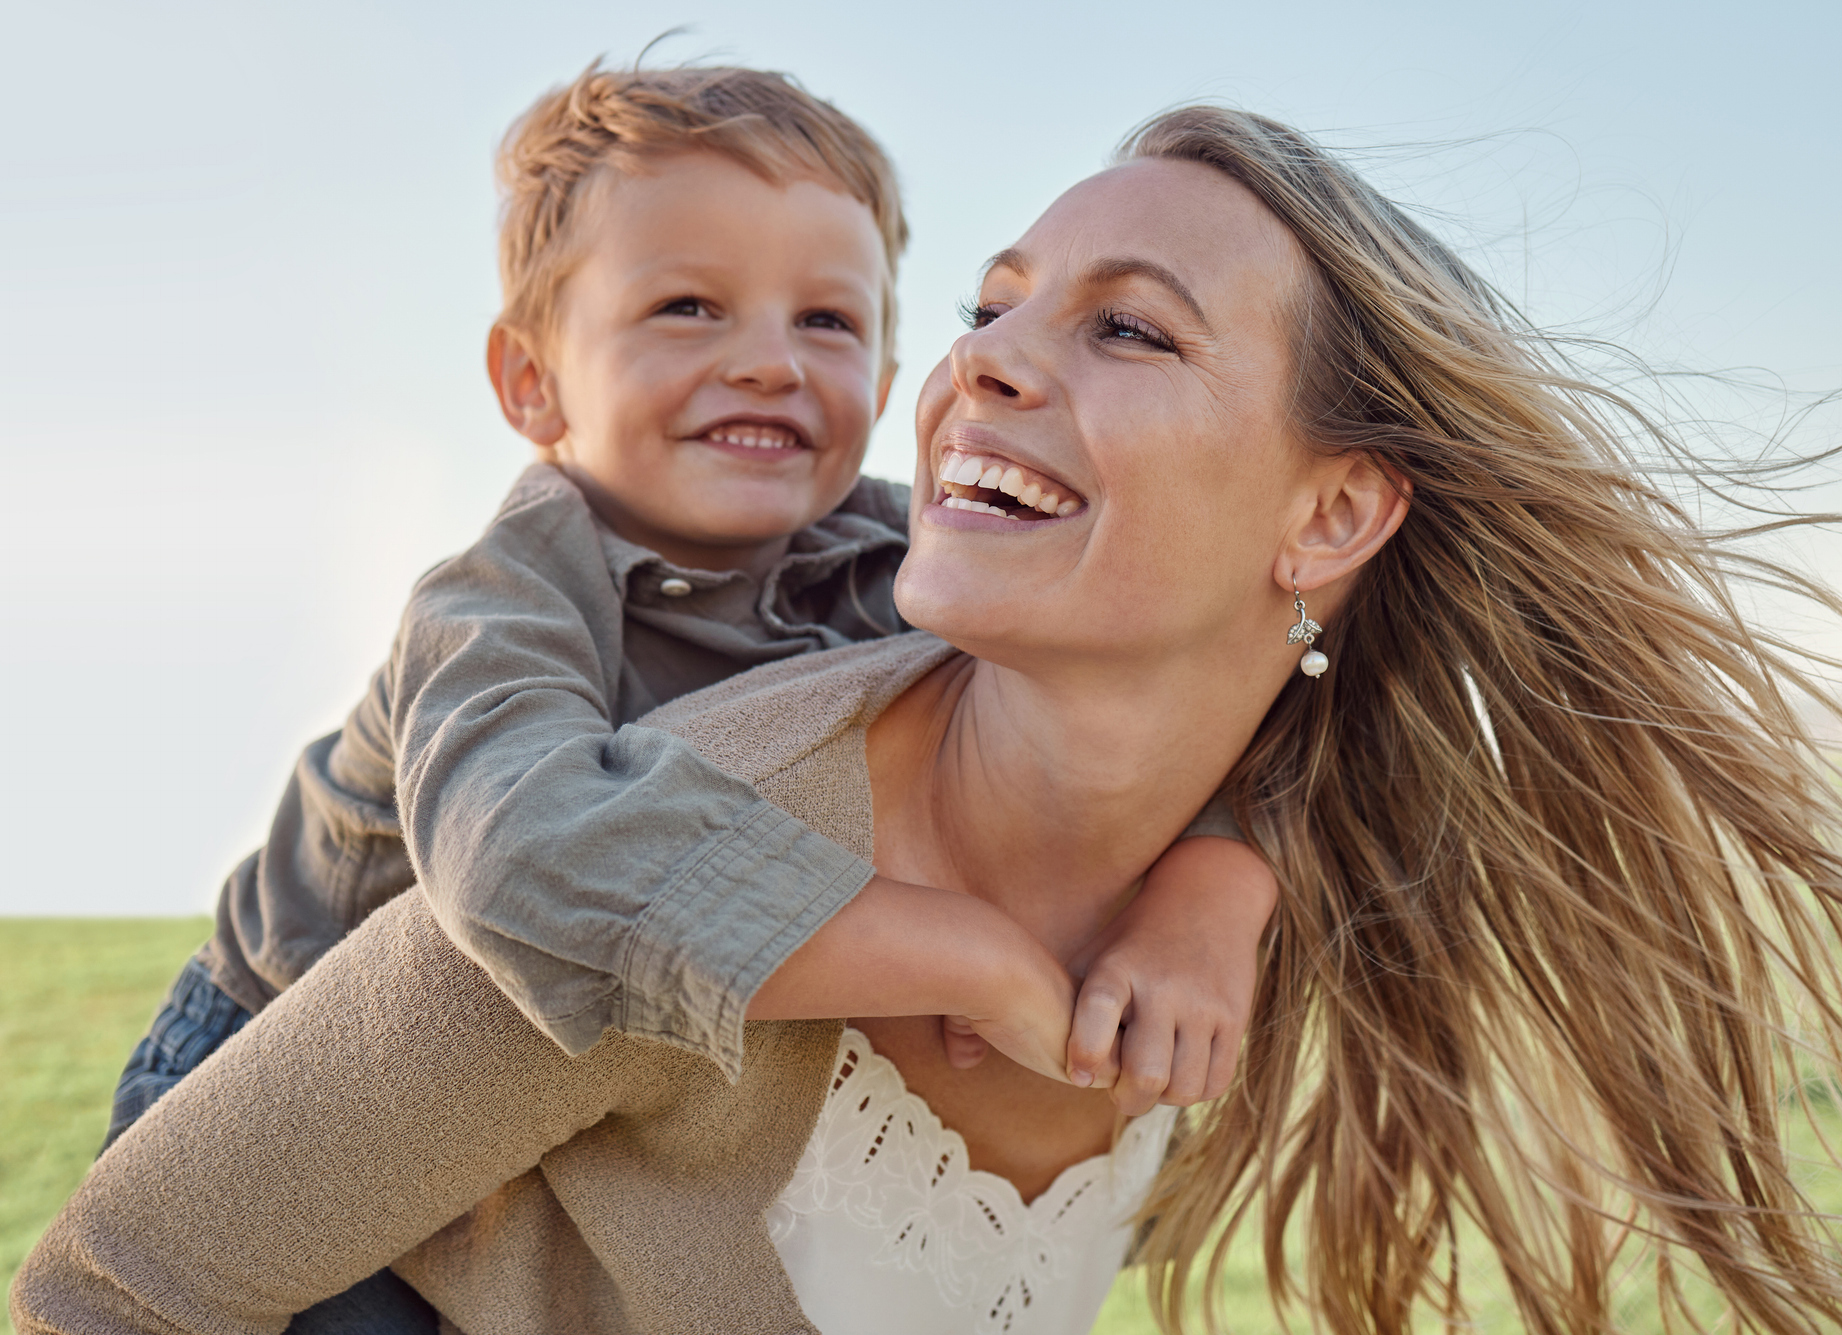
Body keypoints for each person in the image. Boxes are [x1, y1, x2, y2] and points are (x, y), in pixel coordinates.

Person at [18, 104, 1842, 1335]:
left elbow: (1310, 731)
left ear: (1332, 514)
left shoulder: (1269, 858)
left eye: (1122, 325)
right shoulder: (636, 831)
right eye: (993, 300)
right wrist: (959, 951)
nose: (977, 364)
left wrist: (1228, 882)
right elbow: (117, 1284)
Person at [86, 62, 1275, 1332]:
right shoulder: (502, 600)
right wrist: (967, 956)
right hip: (290, 1075)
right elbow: (525, 858)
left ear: (879, 385)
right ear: (531, 381)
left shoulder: (910, 569)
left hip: (565, 1100)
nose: (766, 362)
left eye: (824, 323)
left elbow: (1154, 713)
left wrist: (1214, 891)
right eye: (690, 307)